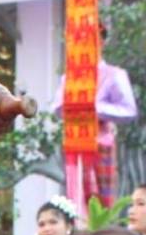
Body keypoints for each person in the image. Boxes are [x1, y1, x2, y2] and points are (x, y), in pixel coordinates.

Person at [52, 27, 137, 204]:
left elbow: (129, 110)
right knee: (75, 198)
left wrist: (95, 108)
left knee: (101, 201)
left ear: (102, 42)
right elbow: (57, 107)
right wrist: (72, 106)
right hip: (75, 142)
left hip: (101, 143)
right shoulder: (69, 77)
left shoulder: (114, 74)